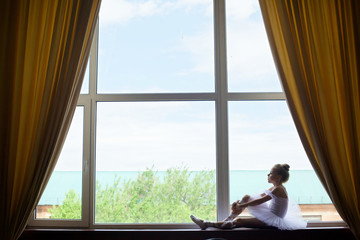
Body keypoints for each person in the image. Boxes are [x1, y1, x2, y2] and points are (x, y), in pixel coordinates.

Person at [190, 164, 307, 230]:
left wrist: (242, 205)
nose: (268, 175)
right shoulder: (274, 188)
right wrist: (241, 203)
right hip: (271, 215)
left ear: (278, 177)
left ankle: (206, 224)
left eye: (270, 173)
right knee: (247, 197)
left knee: (239, 221)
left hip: (273, 221)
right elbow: (256, 198)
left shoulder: (279, 189)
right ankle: (226, 220)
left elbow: (260, 201)